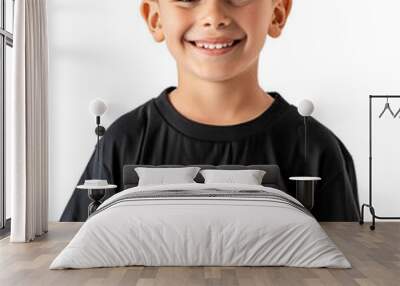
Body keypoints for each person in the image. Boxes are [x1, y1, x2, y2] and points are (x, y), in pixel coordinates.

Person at [60, 0, 360, 222]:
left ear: (277, 12)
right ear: (155, 18)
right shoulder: (123, 140)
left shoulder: (319, 149)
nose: (214, 16)